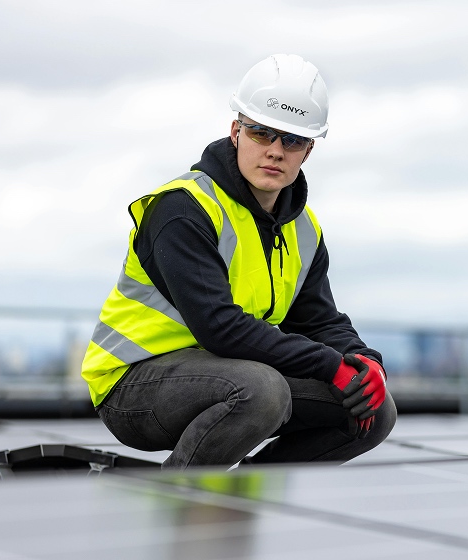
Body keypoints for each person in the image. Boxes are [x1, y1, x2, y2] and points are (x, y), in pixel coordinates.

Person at [80, 54, 396, 469]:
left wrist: (363, 361)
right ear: (236, 132)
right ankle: (178, 501)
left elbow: (318, 320)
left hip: (228, 372)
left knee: (373, 410)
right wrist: (328, 364)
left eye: (293, 141)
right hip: (134, 384)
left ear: (309, 150)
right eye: (262, 133)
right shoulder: (184, 209)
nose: (276, 151)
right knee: (262, 391)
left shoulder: (303, 228)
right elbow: (220, 327)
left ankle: (249, 495)